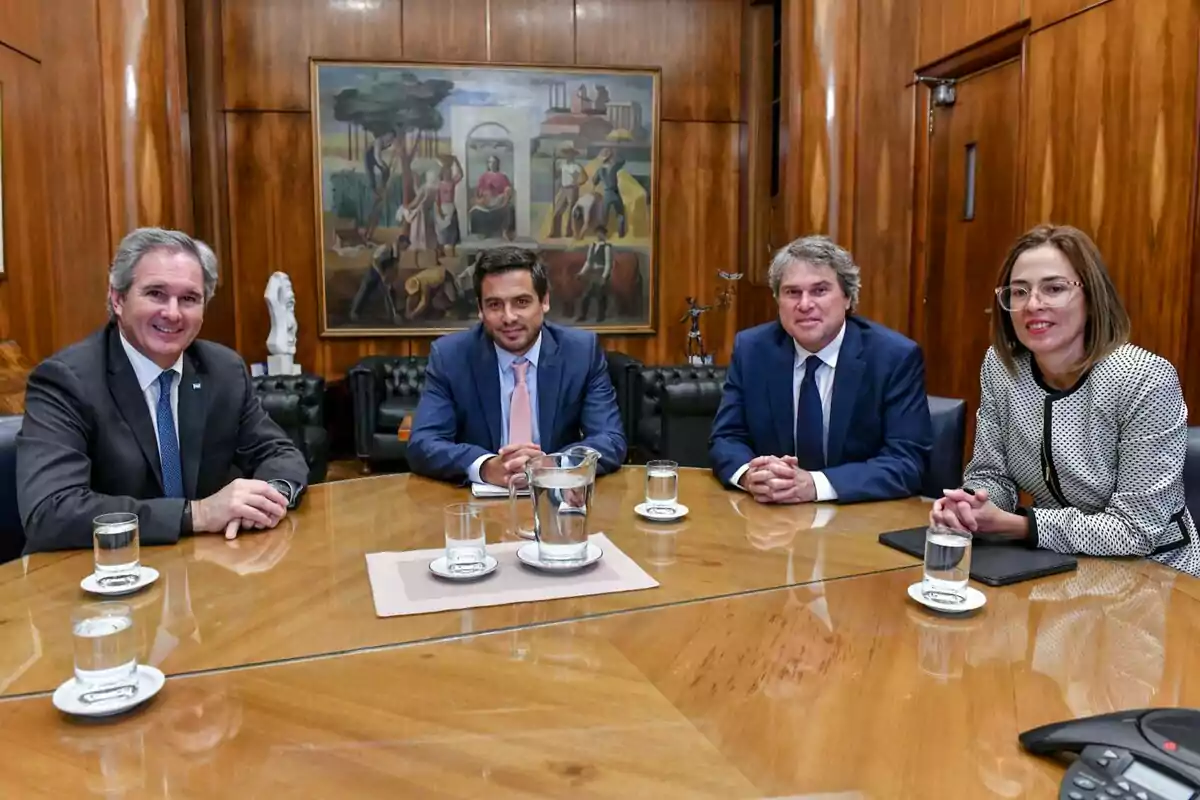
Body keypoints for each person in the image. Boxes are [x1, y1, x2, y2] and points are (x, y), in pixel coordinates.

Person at [17, 227, 309, 553]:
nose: (172, 313)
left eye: (189, 299)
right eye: (156, 293)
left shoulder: (223, 370)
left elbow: (279, 453)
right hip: (92, 574)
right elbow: (50, 511)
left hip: (201, 570)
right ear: (118, 298)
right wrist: (196, 514)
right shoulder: (65, 381)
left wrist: (271, 495)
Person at [932, 224, 1200, 576]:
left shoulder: (1144, 378)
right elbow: (991, 475)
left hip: (1154, 577)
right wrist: (970, 507)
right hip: (1052, 563)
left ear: (1092, 297)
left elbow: (1137, 531)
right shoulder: (1001, 367)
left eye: (1054, 288)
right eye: (1018, 292)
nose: (1033, 305)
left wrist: (1021, 525)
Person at [709, 235, 932, 504]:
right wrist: (749, 475)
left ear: (848, 297)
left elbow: (907, 461)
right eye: (792, 292)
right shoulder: (753, 349)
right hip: (771, 521)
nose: (804, 305)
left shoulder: (894, 357)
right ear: (778, 300)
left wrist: (815, 485)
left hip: (858, 523)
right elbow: (726, 437)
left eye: (819, 290)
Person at [407, 246, 626, 486]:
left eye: (521, 302)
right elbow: (423, 443)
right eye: (494, 305)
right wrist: (485, 466)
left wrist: (552, 464)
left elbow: (610, 439)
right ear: (480, 309)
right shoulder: (450, 356)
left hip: (556, 498)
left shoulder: (581, 352)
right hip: (479, 505)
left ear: (544, 302)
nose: (509, 317)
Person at [576, 226, 613, 323]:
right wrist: (581, 273)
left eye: (601, 233)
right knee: (586, 296)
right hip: (593, 273)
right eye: (597, 232)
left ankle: (601, 316)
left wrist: (604, 277)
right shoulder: (592, 245)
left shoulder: (607, 247)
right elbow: (588, 262)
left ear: (604, 234)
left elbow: (608, 264)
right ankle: (583, 315)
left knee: (601, 296)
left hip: (601, 273)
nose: (599, 235)